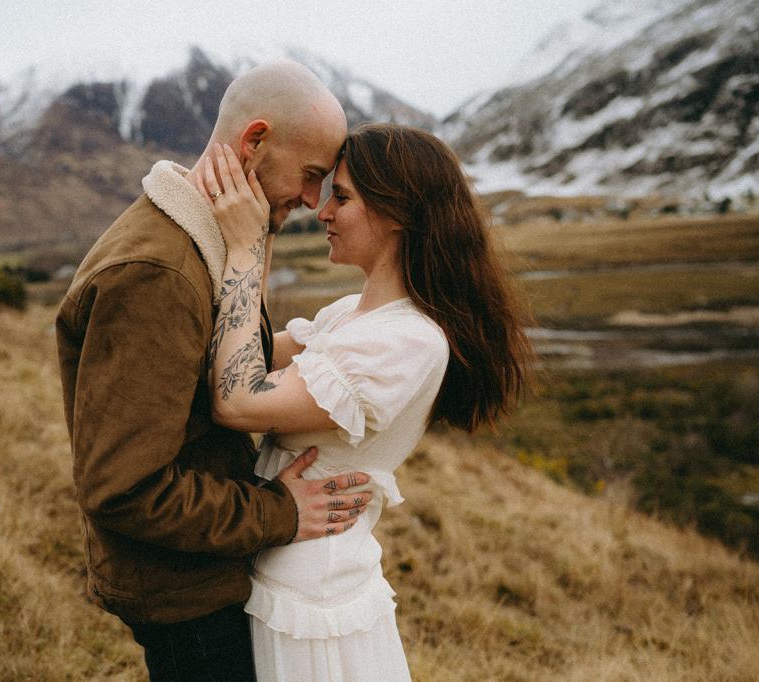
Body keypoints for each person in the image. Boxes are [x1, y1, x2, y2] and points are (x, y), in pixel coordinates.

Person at [55, 61, 376, 682]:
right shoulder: (160, 273)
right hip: (183, 594)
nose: (315, 202)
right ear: (254, 142)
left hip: (205, 570)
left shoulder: (213, 239)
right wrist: (279, 512)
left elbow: (217, 368)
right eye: (311, 176)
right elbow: (124, 489)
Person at [199, 124, 535, 681]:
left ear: (398, 213)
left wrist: (242, 247)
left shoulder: (407, 341)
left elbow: (237, 398)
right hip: (286, 567)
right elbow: (249, 351)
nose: (324, 211)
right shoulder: (352, 314)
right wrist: (261, 234)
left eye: (344, 197)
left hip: (310, 594)